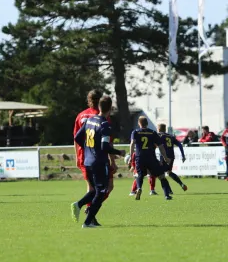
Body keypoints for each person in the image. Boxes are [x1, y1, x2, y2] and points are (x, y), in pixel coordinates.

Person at [71, 96, 125, 228]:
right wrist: (119, 152)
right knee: (101, 192)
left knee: (94, 191)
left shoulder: (89, 120)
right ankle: (88, 222)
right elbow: (104, 147)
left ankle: (78, 205)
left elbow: (77, 137)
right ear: (110, 108)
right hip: (99, 162)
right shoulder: (104, 124)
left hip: (87, 161)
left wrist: (88, 149)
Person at [128, 116, 173, 200]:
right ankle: (167, 195)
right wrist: (165, 157)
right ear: (147, 123)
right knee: (161, 176)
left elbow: (132, 143)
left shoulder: (135, 132)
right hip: (151, 157)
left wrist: (131, 157)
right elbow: (160, 146)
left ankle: (139, 188)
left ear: (139, 123)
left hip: (139, 157)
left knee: (139, 175)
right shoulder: (153, 132)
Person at [158, 123, 188, 191]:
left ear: (159, 129)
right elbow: (180, 145)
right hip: (171, 156)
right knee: (169, 172)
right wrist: (183, 155)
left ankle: (169, 191)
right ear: (165, 129)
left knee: (161, 174)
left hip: (164, 156)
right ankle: (181, 184)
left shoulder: (159, 135)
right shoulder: (170, 136)